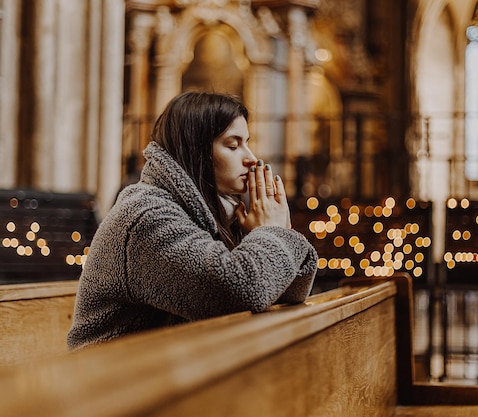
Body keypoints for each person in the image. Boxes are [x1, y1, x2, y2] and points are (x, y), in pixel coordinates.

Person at [67, 91, 318, 350]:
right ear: (196, 150)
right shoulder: (145, 216)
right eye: (233, 145)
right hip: (107, 381)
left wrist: (280, 231)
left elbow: (290, 293)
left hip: (161, 373)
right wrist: (272, 232)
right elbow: (240, 292)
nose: (251, 158)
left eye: (247, 142)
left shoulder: (220, 213)